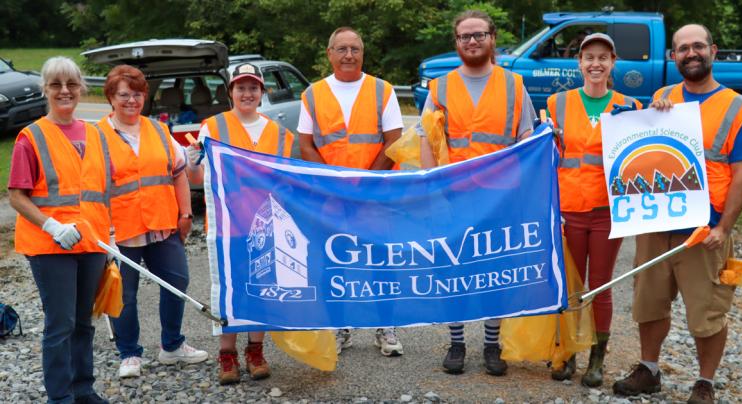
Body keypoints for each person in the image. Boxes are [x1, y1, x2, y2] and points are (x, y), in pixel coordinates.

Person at [612, 24, 742, 404]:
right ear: (674, 56)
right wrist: (651, 113)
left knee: (706, 312)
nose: (691, 53)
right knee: (648, 304)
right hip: (655, 224)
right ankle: (648, 370)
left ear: (713, 50)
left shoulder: (738, 109)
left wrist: (724, 227)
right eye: (683, 48)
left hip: (704, 230)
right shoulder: (662, 96)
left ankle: (704, 382)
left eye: (698, 46)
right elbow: (642, 147)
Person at [420, 10, 536, 376]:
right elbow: (426, 139)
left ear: (492, 38)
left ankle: (491, 344)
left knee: (494, 273)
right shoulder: (439, 88)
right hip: (453, 198)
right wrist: (431, 188)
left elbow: (527, 140)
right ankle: (456, 342)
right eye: (465, 36)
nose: (472, 41)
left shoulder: (514, 85)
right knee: (454, 271)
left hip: (499, 199)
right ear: (456, 43)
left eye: (479, 35)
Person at [8, 56, 111, 403]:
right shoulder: (31, 137)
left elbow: (99, 192)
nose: (64, 91)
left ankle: (83, 389)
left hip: (92, 242)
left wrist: (110, 238)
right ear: (45, 90)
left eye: (71, 84)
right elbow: (16, 197)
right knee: (61, 324)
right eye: (56, 85)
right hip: (51, 247)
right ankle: (60, 397)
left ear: (81, 88)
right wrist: (52, 226)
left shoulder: (96, 135)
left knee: (84, 322)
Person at [298, 26, 405, 357]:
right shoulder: (313, 94)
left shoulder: (381, 90)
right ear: (329, 54)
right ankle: (340, 328)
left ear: (363, 53)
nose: (348, 55)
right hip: (332, 196)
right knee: (334, 262)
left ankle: (386, 328)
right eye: (341, 49)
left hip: (375, 194)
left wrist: (366, 185)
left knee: (380, 261)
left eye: (355, 49)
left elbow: (395, 140)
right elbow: (306, 144)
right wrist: (335, 183)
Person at [97, 65, 208, 379]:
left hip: (163, 225)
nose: (131, 100)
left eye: (137, 94)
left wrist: (185, 214)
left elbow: (179, 173)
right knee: (123, 293)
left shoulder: (159, 130)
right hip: (121, 229)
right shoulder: (97, 137)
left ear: (144, 96)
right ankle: (129, 353)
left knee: (178, 281)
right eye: (123, 95)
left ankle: (172, 345)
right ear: (110, 98)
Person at [186, 63, 294, 385]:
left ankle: (255, 351)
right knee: (228, 292)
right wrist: (191, 164)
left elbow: (288, 183)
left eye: (253, 88)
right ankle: (227, 356)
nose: (247, 94)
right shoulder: (213, 127)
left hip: (264, 227)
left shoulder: (279, 134)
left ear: (262, 93)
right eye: (240, 88)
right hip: (227, 228)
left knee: (261, 290)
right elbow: (199, 179)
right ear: (230, 92)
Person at [546, 33, 641, 387]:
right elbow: (546, 153)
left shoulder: (629, 106)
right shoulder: (557, 103)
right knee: (570, 287)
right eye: (589, 57)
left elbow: (648, 149)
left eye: (603, 57)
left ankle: (596, 361)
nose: (596, 63)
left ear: (613, 62)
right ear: (580, 63)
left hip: (606, 211)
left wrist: (660, 110)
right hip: (568, 210)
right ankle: (566, 353)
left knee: (600, 286)